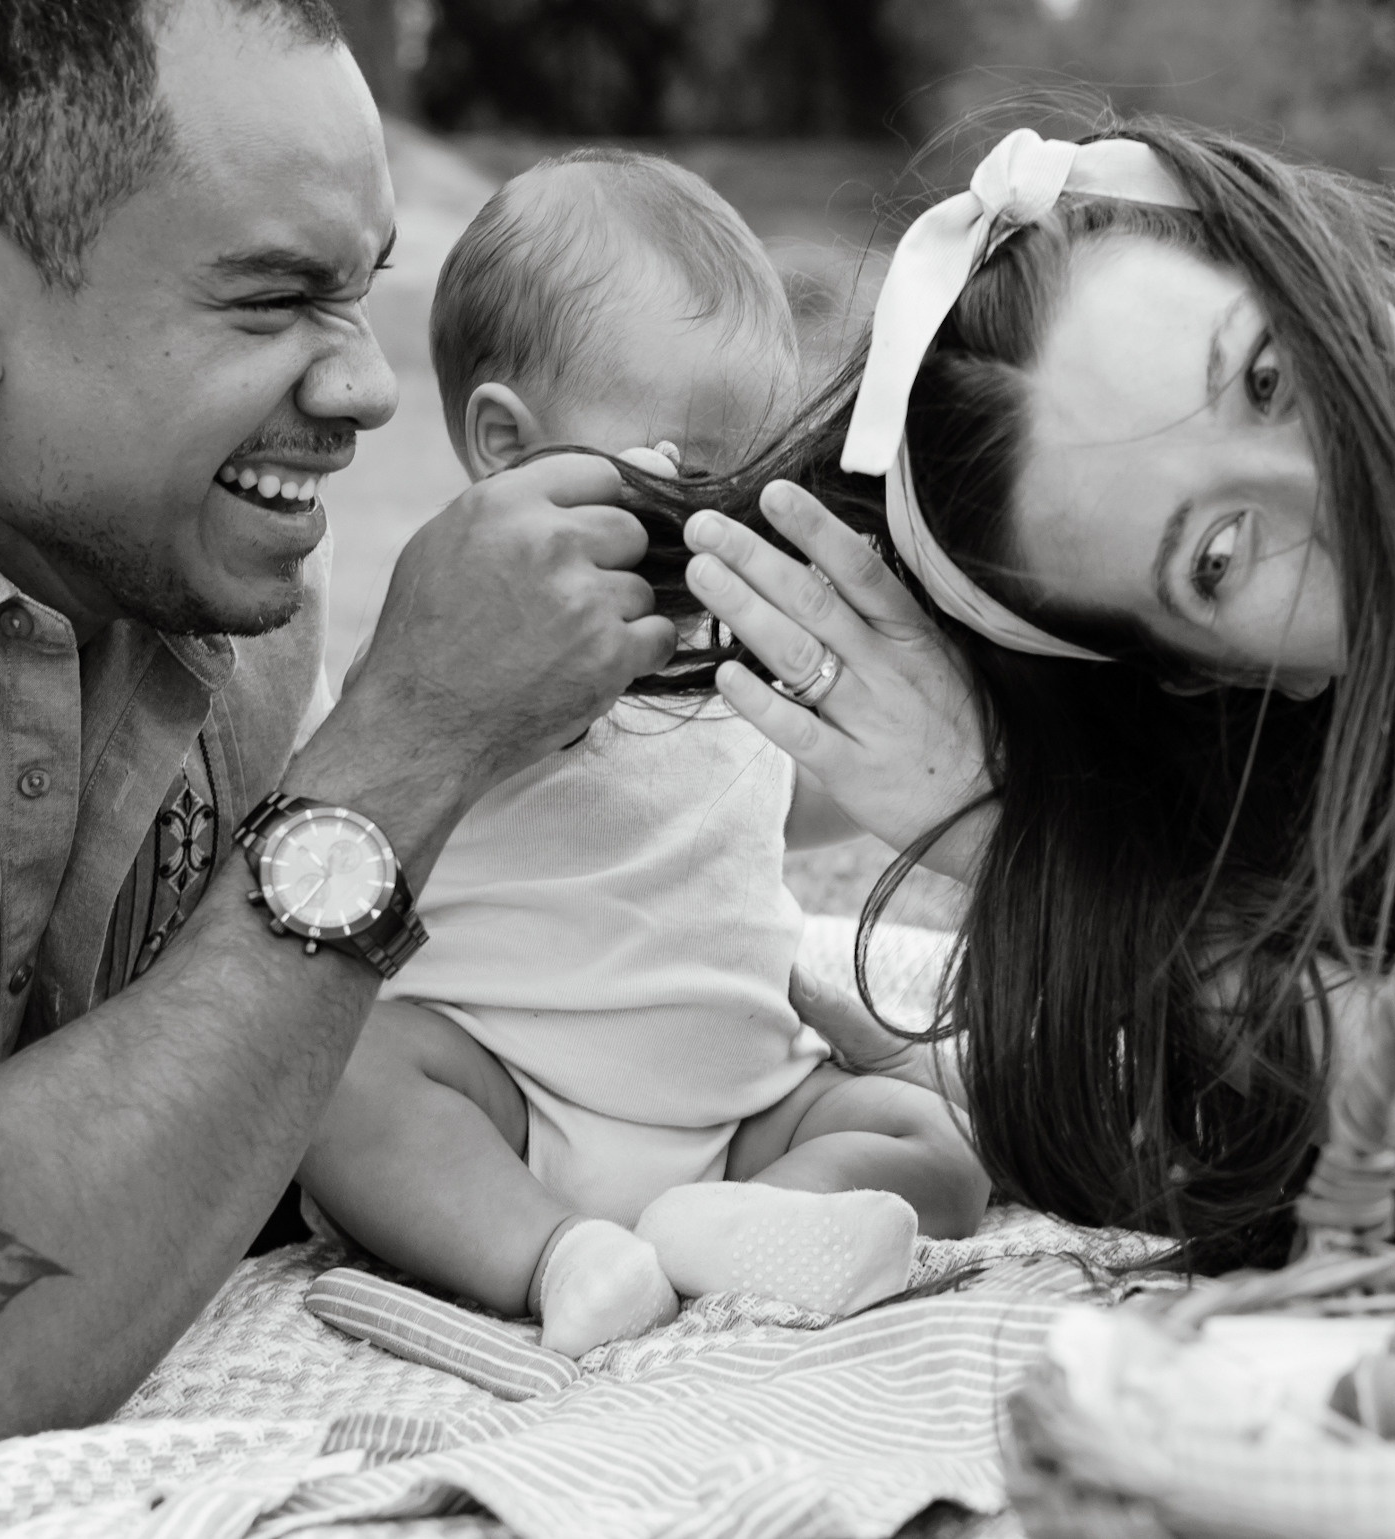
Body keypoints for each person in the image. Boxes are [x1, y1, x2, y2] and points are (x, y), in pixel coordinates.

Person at [0, 0, 677, 1460]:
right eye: (272, 299)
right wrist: (404, 746)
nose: (362, 386)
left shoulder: (167, 510)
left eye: (360, 292)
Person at [651, 118, 1395, 1267]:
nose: (1352, 489)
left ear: (1327, 251)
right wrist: (1028, 827)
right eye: (1218, 559)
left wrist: (1019, 843)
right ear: (1247, 672)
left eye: (1268, 376)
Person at [298, 150, 988, 1359]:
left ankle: (722, 1229)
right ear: (510, 453)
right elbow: (425, 760)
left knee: (932, 1142)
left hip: (740, 1110)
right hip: (504, 1092)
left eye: (757, 482)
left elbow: (784, 800)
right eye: (683, 487)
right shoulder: (472, 641)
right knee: (339, 1082)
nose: (717, 532)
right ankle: (557, 1256)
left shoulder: (718, 644)